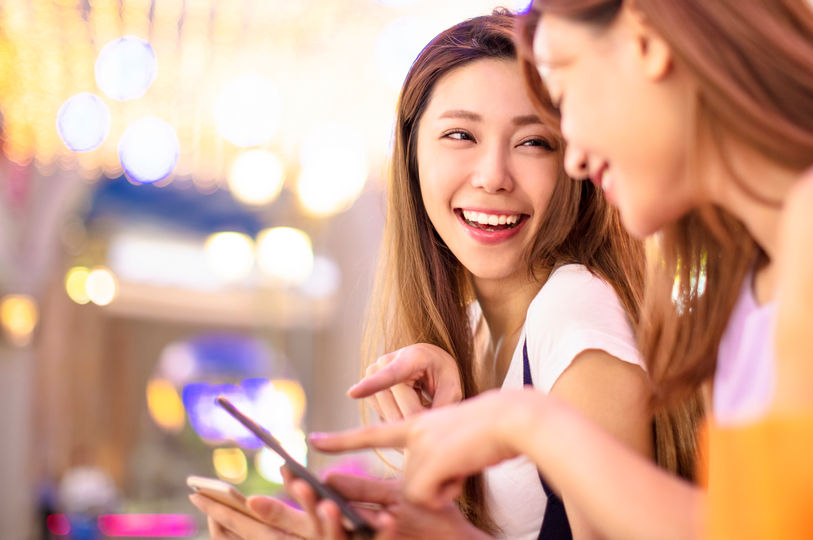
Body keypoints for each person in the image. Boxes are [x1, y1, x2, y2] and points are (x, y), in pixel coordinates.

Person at [310, 0, 813, 538]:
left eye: (562, 99)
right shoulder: (755, 284)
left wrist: (528, 421)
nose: (574, 159)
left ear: (647, 42)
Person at [191, 9, 700, 539]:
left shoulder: (571, 311)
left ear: (574, 163)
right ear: (411, 156)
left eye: (533, 142)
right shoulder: (472, 328)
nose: (493, 176)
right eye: (460, 135)